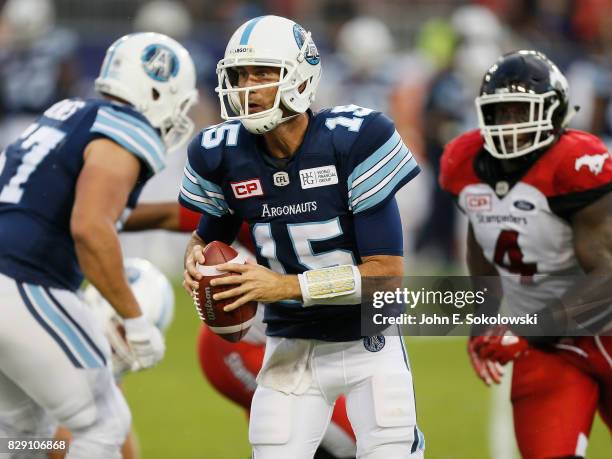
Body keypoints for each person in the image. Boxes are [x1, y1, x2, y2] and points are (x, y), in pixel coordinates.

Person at [181, 15, 424, 459]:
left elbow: (386, 277)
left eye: (262, 73)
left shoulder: (355, 139)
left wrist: (282, 286)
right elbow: (205, 238)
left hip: (368, 342)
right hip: (288, 344)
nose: (246, 86)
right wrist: (196, 263)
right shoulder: (220, 153)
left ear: (299, 76)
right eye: (238, 75)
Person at [0, 32, 197, 459]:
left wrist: (192, 216)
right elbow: (90, 227)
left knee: (22, 437)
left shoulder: (66, 113)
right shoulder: (126, 127)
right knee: (104, 423)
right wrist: (136, 321)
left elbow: (83, 212)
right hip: (22, 281)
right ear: (157, 89)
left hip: (8, 274)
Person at [439, 50, 612, 458]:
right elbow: (480, 242)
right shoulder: (465, 163)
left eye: (522, 112)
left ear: (555, 114)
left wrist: (528, 327)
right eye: (502, 113)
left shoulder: (576, 164)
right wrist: (485, 318)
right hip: (549, 347)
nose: (510, 126)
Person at [125, 202, 357, 458]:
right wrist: (95, 219)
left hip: (306, 342)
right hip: (246, 346)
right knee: (352, 441)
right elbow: (177, 218)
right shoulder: (260, 195)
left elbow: (381, 276)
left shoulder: (350, 186)